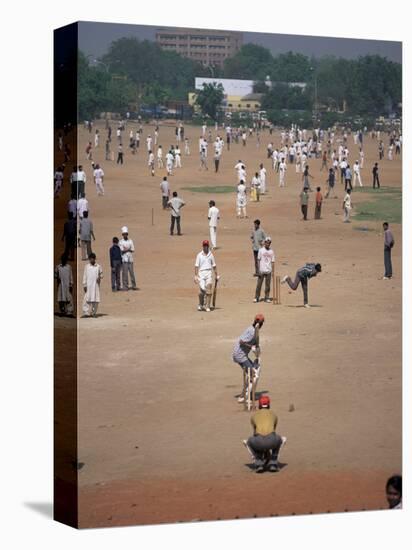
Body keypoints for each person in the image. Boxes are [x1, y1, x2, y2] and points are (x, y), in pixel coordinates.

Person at [243, 394, 287, 473]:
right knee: (281, 439)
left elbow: (255, 433)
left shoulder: (254, 415)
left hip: (258, 441)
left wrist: (263, 452)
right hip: (272, 440)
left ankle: (258, 462)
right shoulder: (274, 415)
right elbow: (272, 432)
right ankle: (273, 462)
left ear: (259, 405)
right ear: (269, 405)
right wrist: (267, 452)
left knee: (248, 442)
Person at [232, 314, 264, 403]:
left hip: (242, 354)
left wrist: (256, 349)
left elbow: (256, 343)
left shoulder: (255, 330)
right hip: (239, 354)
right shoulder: (252, 331)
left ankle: (248, 393)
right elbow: (241, 342)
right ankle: (243, 396)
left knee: (252, 371)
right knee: (253, 373)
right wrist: (251, 347)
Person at [194, 240, 219, 312]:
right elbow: (196, 266)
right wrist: (196, 276)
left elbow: (214, 266)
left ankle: (207, 306)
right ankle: (200, 304)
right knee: (201, 291)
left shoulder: (211, 255)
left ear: (208, 246)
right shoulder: (199, 255)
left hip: (208, 273)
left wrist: (216, 275)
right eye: (204, 246)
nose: (205, 247)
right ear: (203, 246)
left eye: (206, 246)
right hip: (201, 273)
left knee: (209, 290)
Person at [254, 237, 275, 303]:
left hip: (268, 270)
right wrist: (258, 270)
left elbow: (273, 262)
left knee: (268, 285)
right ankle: (256, 297)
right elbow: (258, 260)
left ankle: (267, 297)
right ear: (265, 242)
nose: (268, 244)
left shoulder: (271, 251)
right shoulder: (261, 250)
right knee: (259, 285)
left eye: (269, 243)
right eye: (266, 242)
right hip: (262, 270)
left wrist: (273, 271)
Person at [82, 253, 103, 317]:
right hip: (88, 286)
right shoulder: (87, 266)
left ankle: (93, 313)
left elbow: (101, 275)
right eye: (90, 259)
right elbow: (85, 276)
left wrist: (99, 277)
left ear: (94, 259)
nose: (91, 260)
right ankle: (86, 313)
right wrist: (84, 285)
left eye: (93, 259)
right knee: (86, 299)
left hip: (95, 286)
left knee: (95, 300)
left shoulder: (98, 266)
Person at [119, 226, 137, 291]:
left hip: (130, 259)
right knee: (125, 274)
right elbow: (121, 250)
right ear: (122, 235)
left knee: (132, 273)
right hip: (124, 260)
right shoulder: (120, 242)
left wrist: (126, 249)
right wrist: (128, 249)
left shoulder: (130, 241)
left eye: (126, 234)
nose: (125, 235)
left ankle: (134, 285)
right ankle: (125, 286)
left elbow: (132, 249)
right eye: (124, 234)